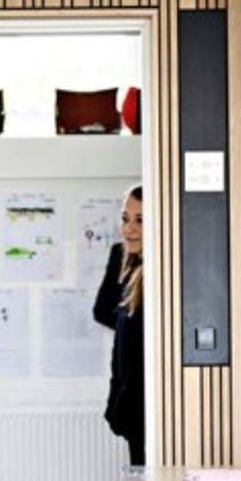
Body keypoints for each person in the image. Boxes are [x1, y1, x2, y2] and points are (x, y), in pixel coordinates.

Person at [93, 185, 144, 465]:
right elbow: (101, 311)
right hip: (129, 400)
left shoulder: (163, 270)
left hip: (149, 403)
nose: (130, 229)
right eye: (125, 218)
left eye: (140, 220)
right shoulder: (122, 258)